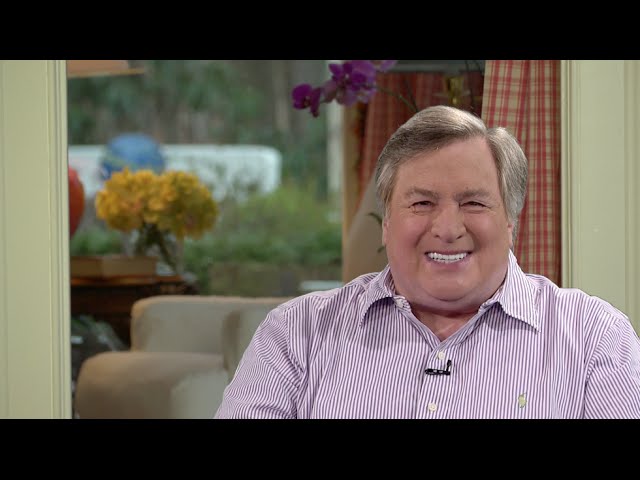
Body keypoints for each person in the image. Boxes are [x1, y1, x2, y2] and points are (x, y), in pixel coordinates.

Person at [215, 105, 640, 419]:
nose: (448, 228)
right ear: (386, 223)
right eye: (422, 203)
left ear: (510, 221)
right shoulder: (297, 332)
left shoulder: (594, 338)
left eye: (473, 203)